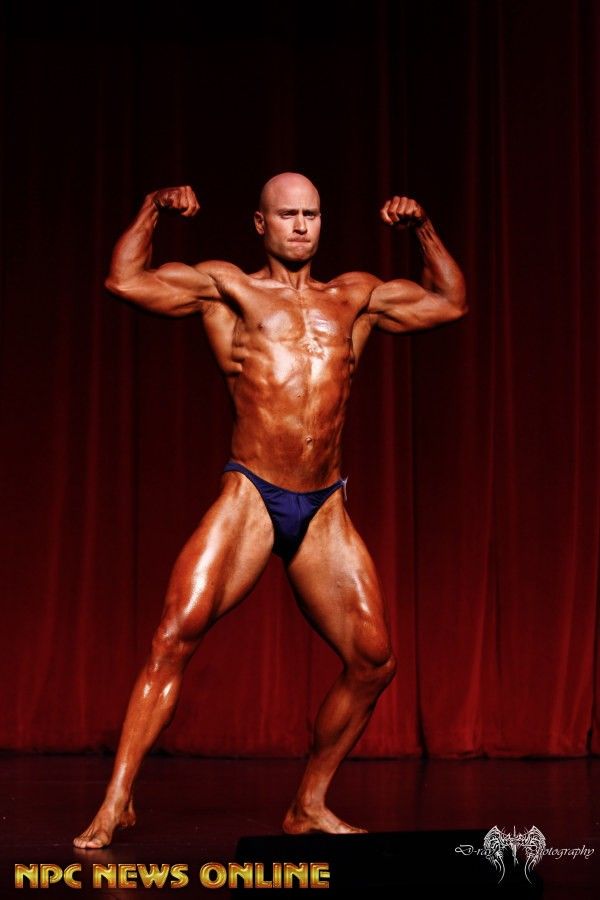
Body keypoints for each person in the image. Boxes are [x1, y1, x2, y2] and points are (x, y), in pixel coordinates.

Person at [73, 172, 467, 848]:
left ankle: (308, 804)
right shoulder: (228, 287)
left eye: (311, 214)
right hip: (253, 492)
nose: (301, 225)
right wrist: (151, 209)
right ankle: (116, 803)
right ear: (261, 223)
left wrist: (424, 230)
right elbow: (125, 280)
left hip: (324, 505)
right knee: (173, 636)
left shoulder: (355, 296)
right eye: (287, 215)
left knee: (374, 660)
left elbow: (450, 303)